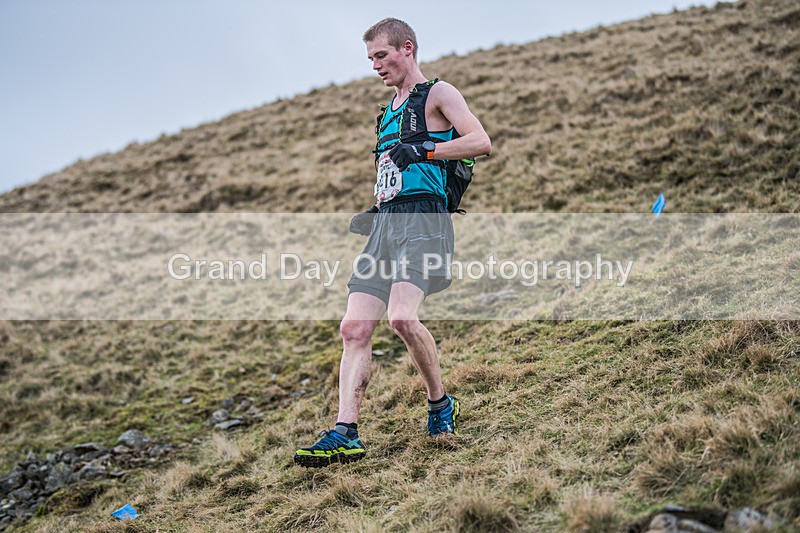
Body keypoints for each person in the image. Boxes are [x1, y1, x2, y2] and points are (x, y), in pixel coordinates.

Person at [294, 17, 491, 468]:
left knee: (402, 318)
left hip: (425, 223)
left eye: (381, 56)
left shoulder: (439, 93)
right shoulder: (385, 112)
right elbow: (394, 172)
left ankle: (440, 404)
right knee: (353, 328)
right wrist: (377, 207)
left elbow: (481, 142)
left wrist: (424, 151)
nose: (376, 66)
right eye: (370, 60)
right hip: (386, 226)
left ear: (407, 48)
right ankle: (345, 431)